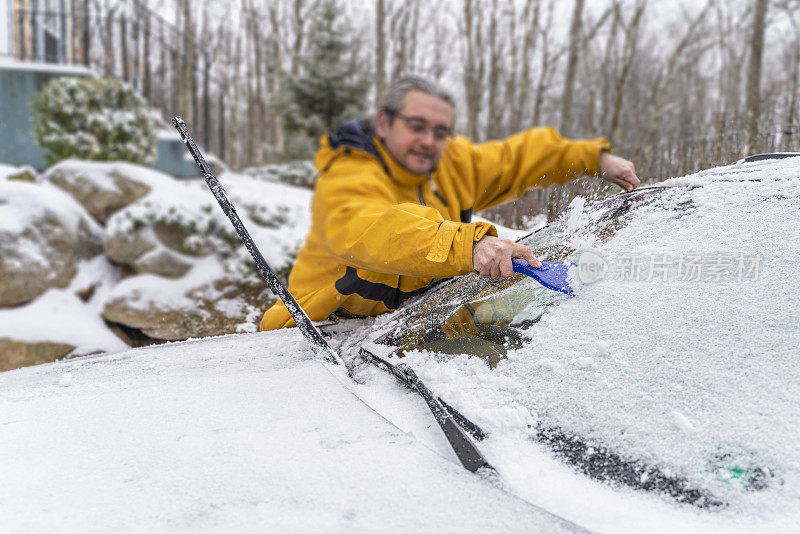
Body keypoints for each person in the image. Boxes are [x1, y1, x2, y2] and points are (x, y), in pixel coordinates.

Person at [260, 76, 639, 331]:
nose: (429, 140)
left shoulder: (450, 165)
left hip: (406, 327)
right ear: (383, 124)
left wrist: (593, 158)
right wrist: (471, 244)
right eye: (416, 126)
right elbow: (374, 229)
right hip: (315, 339)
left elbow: (517, 158)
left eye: (440, 132)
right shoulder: (349, 176)